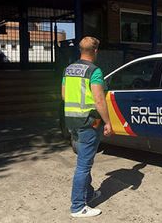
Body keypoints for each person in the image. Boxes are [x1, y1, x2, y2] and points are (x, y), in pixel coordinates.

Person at [61, 36, 112, 218]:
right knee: (83, 165)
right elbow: (99, 100)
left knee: (83, 160)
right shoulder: (94, 71)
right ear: (96, 51)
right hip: (89, 122)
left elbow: (64, 95)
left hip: (72, 122)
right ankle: (77, 206)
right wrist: (107, 122)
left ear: (80, 50)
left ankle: (88, 194)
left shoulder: (68, 70)